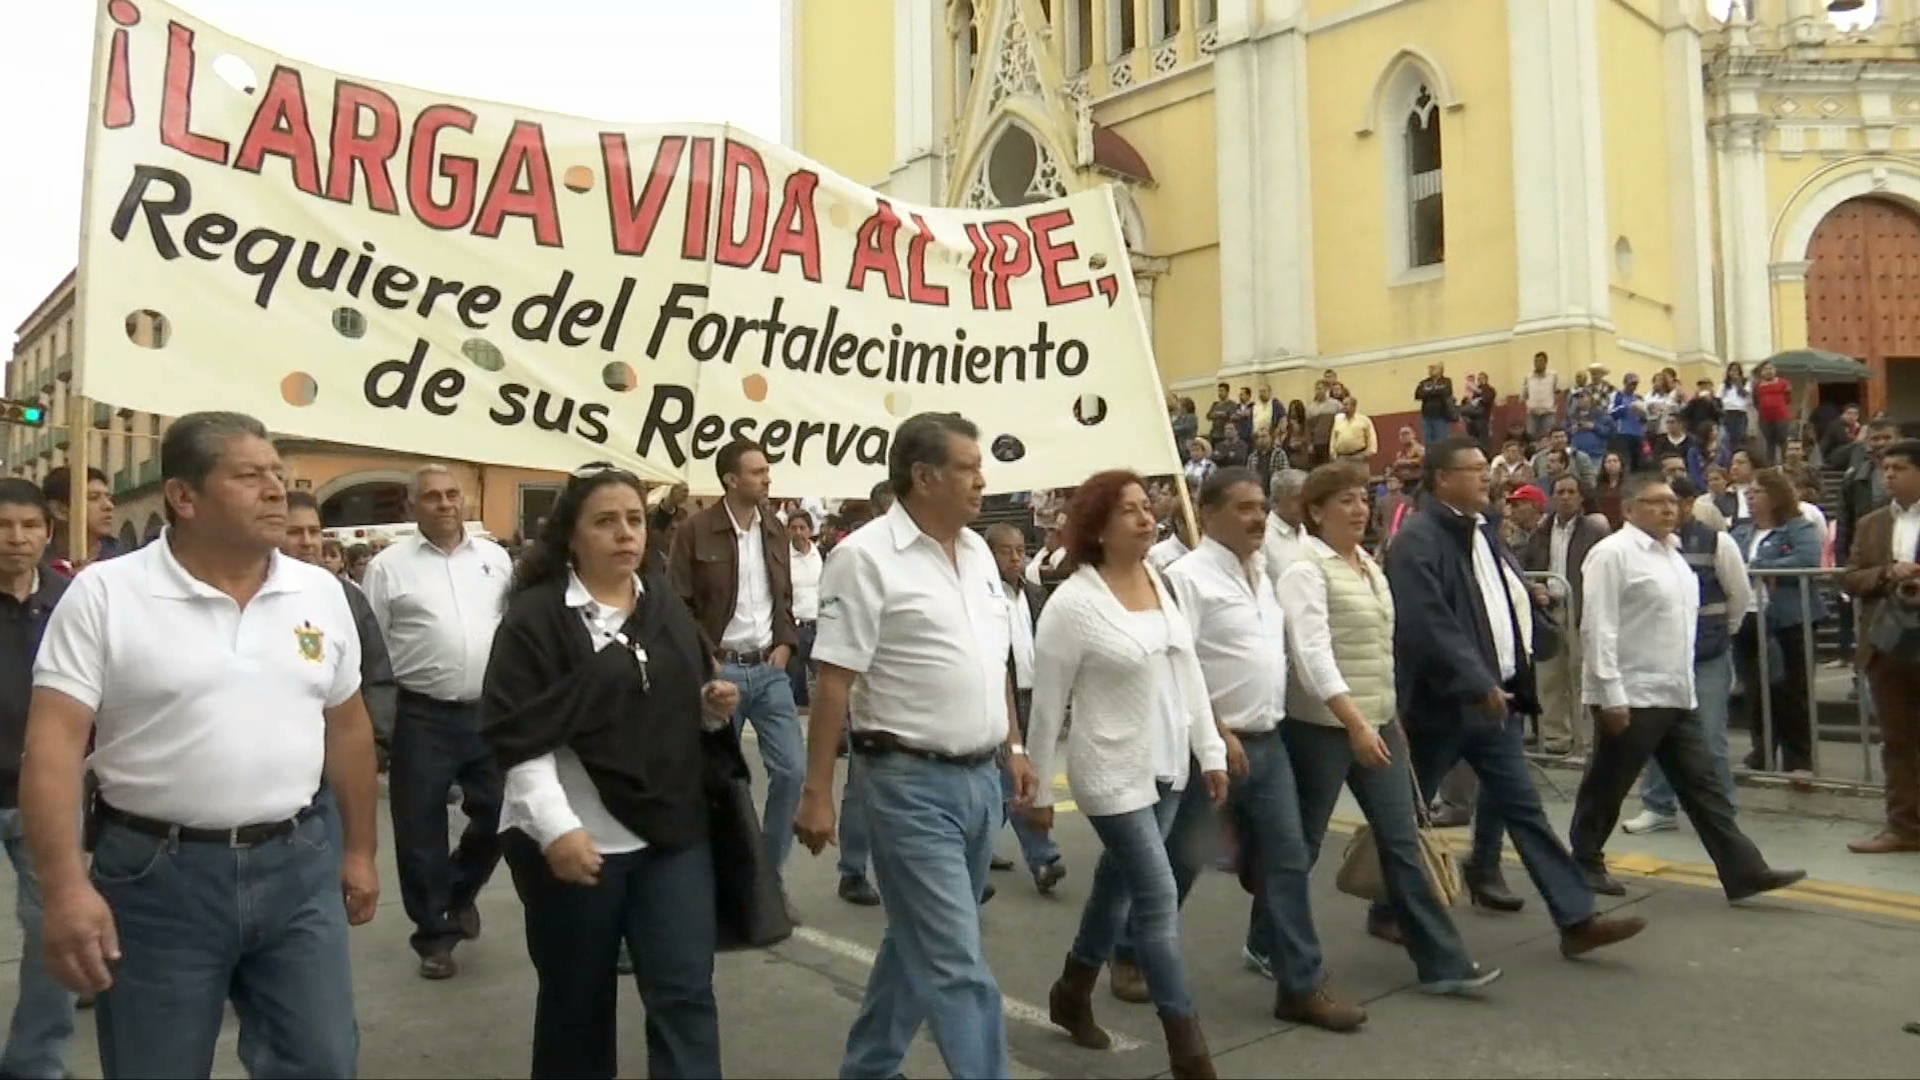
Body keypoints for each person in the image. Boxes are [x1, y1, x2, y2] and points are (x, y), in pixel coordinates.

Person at [23, 411, 379, 1078]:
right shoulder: (106, 594)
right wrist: (65, 887)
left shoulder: (321, 592)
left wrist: (359, 850)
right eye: (250, 476)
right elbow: (52, 747)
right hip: (157, 879)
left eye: (279, 474)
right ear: (184, 498)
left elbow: (349, 724)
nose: (277, 489)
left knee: (324, 1062)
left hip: (298, 865)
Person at [794, 412, 1038, 1080]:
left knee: (918, 941)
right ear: (924, 476)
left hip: (982, 781)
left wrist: (1013, 748)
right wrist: (817, 793)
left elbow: (996, 663)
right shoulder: (863, 557)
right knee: (959, 963)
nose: (982, 481)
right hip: (907, 785)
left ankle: (868, 1068)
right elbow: (834, 682)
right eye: (967, 467)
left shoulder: (982, 553)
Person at [481, 464, 739, 1079]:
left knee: (684, 992)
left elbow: (674, 717)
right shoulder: (536, 621)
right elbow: (522, 737)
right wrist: (557, 830)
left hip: (671, 837)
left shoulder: (667, 612)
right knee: (577, 1003)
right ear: (571, 535)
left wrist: (707, 710)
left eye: (633, 520)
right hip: (578, 842)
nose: (625, 534)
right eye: (605, 521)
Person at [1379, 438, 1647, 958]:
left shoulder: (1482, 533)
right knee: (1407, 814)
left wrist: (1530, 636)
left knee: (1525, 810)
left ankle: (1575, 918)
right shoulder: (1418, 540)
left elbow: (1501, 598)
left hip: (1494, 702)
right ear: (1440, 479)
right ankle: (1388, 906)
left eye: (1486, 468)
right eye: (1473, 470)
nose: (1487, 477)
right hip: (1442, 705)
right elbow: (1427, 622)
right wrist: (1474, 681)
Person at [1026, 470, 1228, 1076]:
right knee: (1158, 893)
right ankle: (1187, 1049)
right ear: (1099, 526)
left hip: (1168, 766)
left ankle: (1072, 990)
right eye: (1131, 511)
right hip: (1109, 772)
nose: (1147, 519)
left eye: (1148, 508)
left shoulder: (1158, 582)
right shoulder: (1074, 604)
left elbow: (1188, 672)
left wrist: (1210, 751)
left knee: (1116, 886)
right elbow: (1045, 704)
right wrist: (1037, 789)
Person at [1275, 463, 1502, 996]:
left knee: (1402, 843)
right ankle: (1270, 942)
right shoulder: (1305, 569)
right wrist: (1353, 720)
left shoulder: (1369, 567)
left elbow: (1381, 650)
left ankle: (1443, 963)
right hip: (1323, 729)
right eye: (1345, 501)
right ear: (1315, 512)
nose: (1359, 510)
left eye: (1362, 499)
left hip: (1378, 722)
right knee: (1301, 848)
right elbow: (1311, 655)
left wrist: (1387, 712)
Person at [1567, 471, 1806, 904]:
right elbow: (1597, 627)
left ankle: (1743, 870)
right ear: (1629, 509)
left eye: (1671, 502)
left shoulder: (1674, 555)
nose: (1667, 510)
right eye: (1655, 502)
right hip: (1632, 693)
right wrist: (1610, 693)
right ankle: (1584, 860)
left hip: (1676, 691)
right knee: (1608, 782)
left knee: (1704, 786)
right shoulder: (1612, 554)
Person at [362, 465, 512, 979]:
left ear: (464, 499)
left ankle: (459, 890)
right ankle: (433, 935)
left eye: (452, 494)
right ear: (412, 507)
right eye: (431, 497)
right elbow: (372, 647)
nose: (444, 504)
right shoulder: (387, 568)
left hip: (487, 712)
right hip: (421, 713)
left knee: (500, 812)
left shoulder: (495, 559)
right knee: (419, 826)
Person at [668, 440, 803, 919]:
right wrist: (707, 661)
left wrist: (785, 645)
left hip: (769, 669)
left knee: (792, 770)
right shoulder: (695, 530)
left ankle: (767, 876)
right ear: (730, 479)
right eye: (758, 471)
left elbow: (783, 596)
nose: (768, 478)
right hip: (719, 670)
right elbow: (677, 603)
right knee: (718, 782)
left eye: (767, 470)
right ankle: (711, 883)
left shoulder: (774, 528)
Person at [0, 479, 75, 1078]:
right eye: (4, 526)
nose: (15, 538)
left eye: (28, 526)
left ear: (47, 533)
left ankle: (35, 1064)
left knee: (54, 929)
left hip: (44, 793)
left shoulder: (71, 600)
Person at [1842, 438, 1920, 854]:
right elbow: (1851, 577)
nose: (1889, 474)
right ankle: (1904, 827)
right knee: (1899, 741)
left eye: (1900, 468)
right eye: (1885, 467)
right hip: (1888, 645)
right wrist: (1888, 574)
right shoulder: (1872, 523)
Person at [283, 490, 397, 772]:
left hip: (339, 753)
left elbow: (376, 672)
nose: (307, 542)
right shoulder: (254, 595)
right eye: (294, 532)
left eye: (314, 531)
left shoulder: (346, 597)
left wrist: (376, 742)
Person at [984, 523, 1066, 893]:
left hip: (1035, 693)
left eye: (1020, 550)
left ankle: (975, 846)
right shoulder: (984, 597)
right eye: (1006, 551)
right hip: (1002, 698)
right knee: (1015, 778)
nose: (1016, 558)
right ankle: (1043, 858)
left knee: (1013, 781)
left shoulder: (1035, 595)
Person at [1731, 469, 1827, 776]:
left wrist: (1758, 566)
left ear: (1775, 496)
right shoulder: (1741, 532)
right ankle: (1762, 751)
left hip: (1789, 620)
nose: (1750, 496)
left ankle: (1799, 758)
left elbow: (1807, 559)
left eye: (1757, 491)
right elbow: (1731, 563)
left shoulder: (1799, 527)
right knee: (1756, 690)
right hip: (1748, 618)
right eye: (1749, 492)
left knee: (1791, 690)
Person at [1520, 474, 1612, 755]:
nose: (1565, 496)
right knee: (1549, 678)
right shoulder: (1541, 532)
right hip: (1550, 610)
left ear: (1581, 497)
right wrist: (1535, 587)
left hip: (1581, 610)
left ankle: (1584, 740)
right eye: (1560, 491)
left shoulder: (1594, 532)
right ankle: (1556, 738)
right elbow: (1526, 565)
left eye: (1571, 491)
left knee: (1580, 675)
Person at [834, 481, 893, 908]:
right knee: (862, 787)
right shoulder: (857, 556)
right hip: (870, 697)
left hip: (922, 703)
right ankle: (853, 870)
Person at [39, 466, 118, 576]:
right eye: (93, 498)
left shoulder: (124, 563)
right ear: (59, 510)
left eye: (108, 497)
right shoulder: (35, 567)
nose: (108, 506)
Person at [788, 510, 824, 710]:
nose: (798, 533)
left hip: (818, 624)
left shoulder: (821, 554)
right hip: (794, 625)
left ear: (810, 531)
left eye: (802, 528)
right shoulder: (783, 557)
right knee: (792, 681)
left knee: (823, 677)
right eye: (794, 528)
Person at [1263, 470, 1309, 588]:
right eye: (1297, 498)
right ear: (1275, 501)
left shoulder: (1311, 533)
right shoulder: (1263, 538)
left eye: (1307, 497)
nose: (1304, 504)